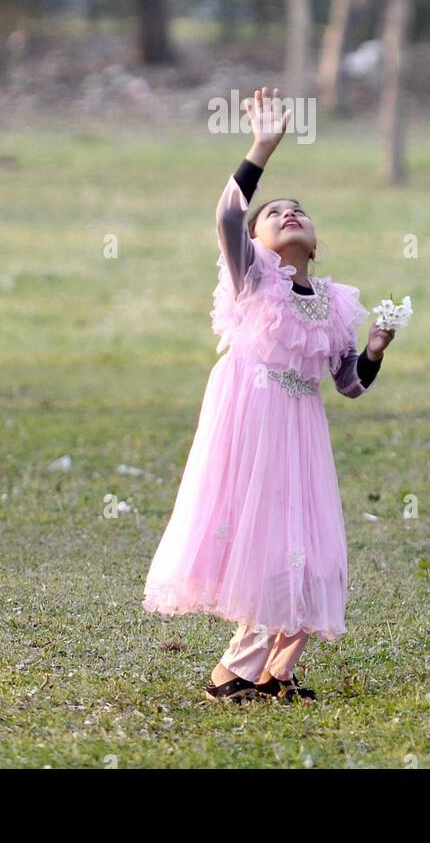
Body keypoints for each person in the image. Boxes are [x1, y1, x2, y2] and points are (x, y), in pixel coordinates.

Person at [142, 86, 397, 703]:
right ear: (256, 240)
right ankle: (232, 671)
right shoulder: (253, 278)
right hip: (249, 413)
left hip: (301, 424)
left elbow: (348, 385)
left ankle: (275, 673)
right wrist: (262, 147)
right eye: (275, 212)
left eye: (299, 212)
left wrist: (374, 350)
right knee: (261, 540)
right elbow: (228, 216)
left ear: (316, 241)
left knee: (312, 550)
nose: (288, 215)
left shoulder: (336, 304)